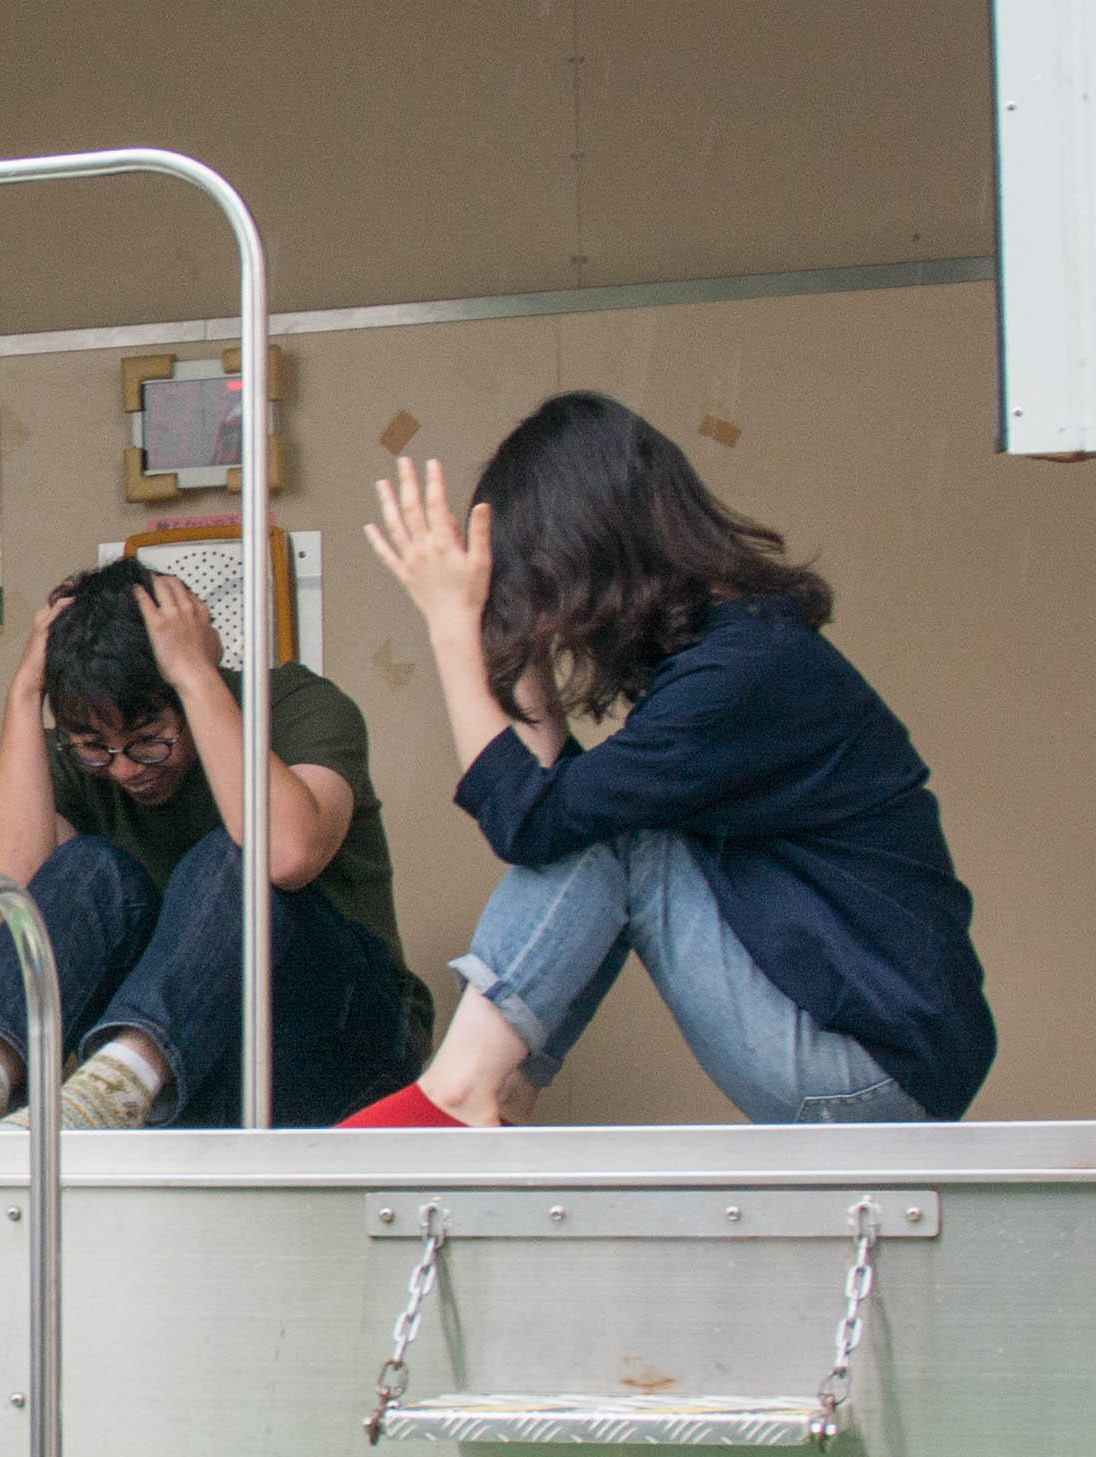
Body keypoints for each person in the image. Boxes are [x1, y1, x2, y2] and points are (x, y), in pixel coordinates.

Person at [355, 397, 992, 1125]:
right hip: (876, 1062)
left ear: (584, 546)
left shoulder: (739, 677)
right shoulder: (744, 652)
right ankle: (494, 1092)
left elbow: (536, 823)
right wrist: (510, 642)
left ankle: (466, 1090)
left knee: (621, 837)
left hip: (867, 1076)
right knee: (602, 825)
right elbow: (554, 808)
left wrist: (451, 629)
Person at [0, 559, 432, 1132]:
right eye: (94, 748)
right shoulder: (79, 758)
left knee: (237, 855)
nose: (126, 769)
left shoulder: (296, 703)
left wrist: (195, 674)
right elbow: (18, 887)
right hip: (179, 1059)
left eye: (150, 742)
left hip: (337, 1030)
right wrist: (24, 693)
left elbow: (288, 851)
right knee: (82, 866)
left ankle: (112, 1088)